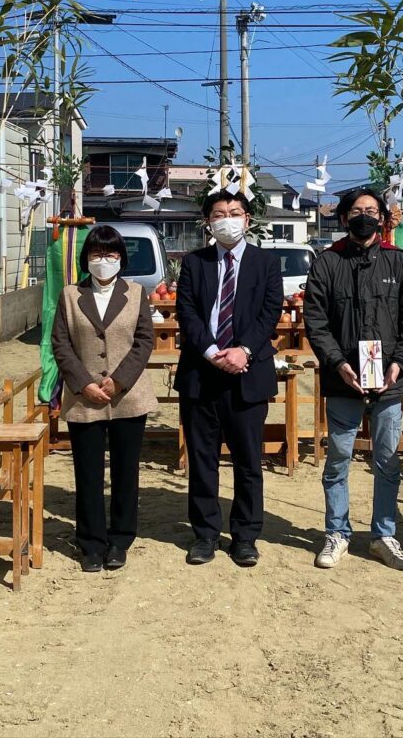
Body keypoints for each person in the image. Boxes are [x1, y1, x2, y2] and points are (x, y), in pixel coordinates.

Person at [304, 188, 403, 571]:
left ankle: (383, 534)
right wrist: (337, 363)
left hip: (390, 380)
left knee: (388, 459)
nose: (364, 217)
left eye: (371, 211)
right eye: (356, 211)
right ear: (343, 219)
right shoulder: (327, 263)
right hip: (344, 379)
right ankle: (337, 532)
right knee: (339, 456)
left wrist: (400, 363)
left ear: (383, 218)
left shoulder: (400, 263)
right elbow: (316, 321)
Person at [174, 191, 283, 567]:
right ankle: (204, 534)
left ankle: (246, 535)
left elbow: (270, 312)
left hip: (248, 373)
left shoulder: (266, 263)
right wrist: (210, 352)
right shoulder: (194, 262)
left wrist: (243, 351)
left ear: (247, 219)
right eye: (219, 214)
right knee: (202, 459)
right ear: (208, 222)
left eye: (235, 213)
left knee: (248, 460)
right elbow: (186, 311)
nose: (227, 219)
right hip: (201, 374)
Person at [51, 224, 158, 573]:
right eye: (97, 254)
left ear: (121, 259)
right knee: (88, 473)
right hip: (84, 398)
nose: (104, 260)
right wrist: (83, 384)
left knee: (126, 472)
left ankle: (121, 539)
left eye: (111, 254)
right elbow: (61, 344)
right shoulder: (70, 295)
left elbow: (144, 342)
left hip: (127, 396)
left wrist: (119, 381)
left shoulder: (136, 293)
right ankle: (91, 543)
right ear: (87, 258)